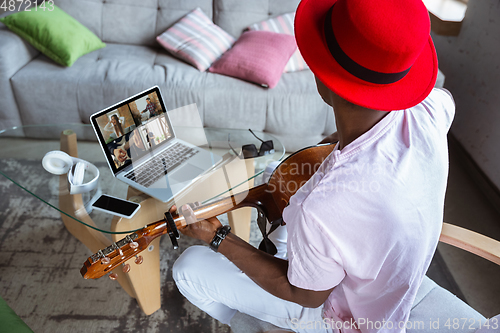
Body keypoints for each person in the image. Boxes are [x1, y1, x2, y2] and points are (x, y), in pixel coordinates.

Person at [171, 0, 455, 332]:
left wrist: (216, 235)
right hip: (392, 270)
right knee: (277, 176)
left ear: (325, 80)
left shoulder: (321, 206)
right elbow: (438, 105)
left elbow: (304, 294)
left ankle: (260, 325)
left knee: (188, 268)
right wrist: (339, 143)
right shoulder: (432, 109)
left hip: (349, 315)